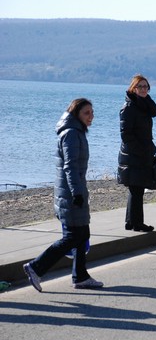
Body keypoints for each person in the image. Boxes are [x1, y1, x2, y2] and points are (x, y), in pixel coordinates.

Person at [23, 98, 104, 292]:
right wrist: (77, 193)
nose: (91, 116)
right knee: (72, 236)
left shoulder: (77, 132)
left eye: (92, 112)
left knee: (82, 233)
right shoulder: (71, 134)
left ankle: (81, 277)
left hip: (74, 191)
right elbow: (70, 166)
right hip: (70, 193)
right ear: (76, 114)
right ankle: (35, 267)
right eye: (86, 113)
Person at [117, 74, 156, 233]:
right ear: (132, 88)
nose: (143, 89)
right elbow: (126, 135)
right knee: (137, 189)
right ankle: (137, 223)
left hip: (143, 152)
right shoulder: (128, 107)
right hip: (133, 154)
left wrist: (146, 98)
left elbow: (155, 111)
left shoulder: (143, 105)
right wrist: (141, 150)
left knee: (136, 188)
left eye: (145, 87)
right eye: (139, 86)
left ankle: (130, 221)